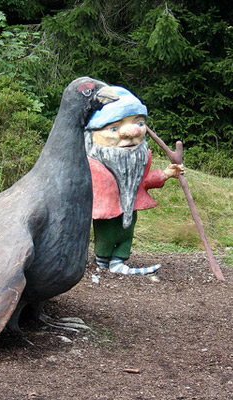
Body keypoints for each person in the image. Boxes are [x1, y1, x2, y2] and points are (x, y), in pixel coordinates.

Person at [84, 86, 183, 275]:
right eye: (113, 128)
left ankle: (119, 259)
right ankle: (102, 260)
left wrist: (166, 173)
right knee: (106, 233)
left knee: (127, 232)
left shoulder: (139, 159)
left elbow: (144, 181)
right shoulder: (90, 162)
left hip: (130, 207)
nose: (131, 133)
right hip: (105, 209)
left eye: (139, 123)